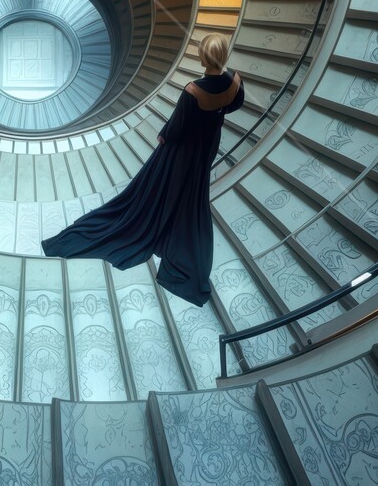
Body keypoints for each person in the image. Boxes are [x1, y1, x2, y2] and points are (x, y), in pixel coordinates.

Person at [40, 32, 245, 306]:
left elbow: (177, 126)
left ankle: (159, 214)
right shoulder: (235, 80)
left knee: (158, 186)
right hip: (207, 144)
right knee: (194, 182)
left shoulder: (193, 90)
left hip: (183, 149)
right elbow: (235, 104)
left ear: (203, 56)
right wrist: (214, 117)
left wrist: (164, 135)